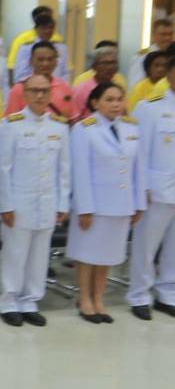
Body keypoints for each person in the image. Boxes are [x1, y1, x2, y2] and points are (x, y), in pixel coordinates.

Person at [0, 76, 70, 327]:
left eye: (45, 91)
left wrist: (62, 205)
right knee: (15, 254)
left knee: (39, 256)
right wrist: (5, 205)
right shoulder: (10, 125)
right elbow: (2, 169)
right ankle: (9, 301)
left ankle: (30, 300)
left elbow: (64, 170)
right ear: (24, 95)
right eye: (34, 91)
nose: (40, 95)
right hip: (19, 203)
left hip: (48, 202)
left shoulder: (59, 127)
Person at [68, 82, 142, 323]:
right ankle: (85, 299)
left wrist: (138, 203)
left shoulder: (131, 129)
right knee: (88, 254)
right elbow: (80, 171)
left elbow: (137, 170)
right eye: (109, 99)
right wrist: (85, 208)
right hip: (95, 205)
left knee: (108, 254)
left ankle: (99, 298)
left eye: (119, 99)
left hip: (121, 204)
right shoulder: (84, 129)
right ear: (95, 102)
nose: (116, 104)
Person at [130, 86, 175, 320]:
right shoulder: (150, 107)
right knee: (146, 247)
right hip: (156, 190)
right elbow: (140, 151)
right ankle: (140, 295)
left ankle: (168, 294)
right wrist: (141, 187)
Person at [4, 42, 73, 117]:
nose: (45, 63)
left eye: (50, 59)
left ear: (56, 62)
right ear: (31, 61)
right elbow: (11, 122)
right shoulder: (19, 89)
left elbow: (70, 118)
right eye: (40, 59)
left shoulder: (64, 87)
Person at [70, 45, 121, 120]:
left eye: (113, 63)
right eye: (105, 63)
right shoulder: (82, 89)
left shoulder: (118, 89)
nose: (110, 67)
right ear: (94, 66)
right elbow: (74, 118)